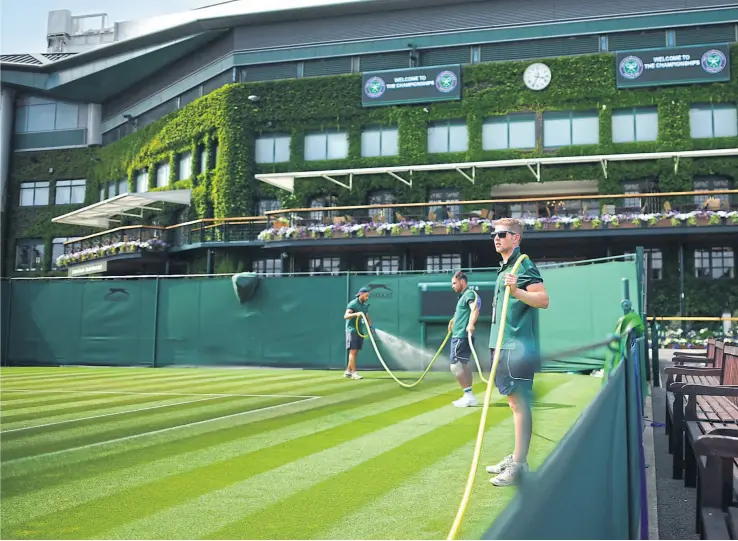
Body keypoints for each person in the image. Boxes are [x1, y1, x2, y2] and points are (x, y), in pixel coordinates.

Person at [485, 218, 549, 487]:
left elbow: (543, 300)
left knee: (519, 405)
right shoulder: (506, 267)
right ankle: (516, 457)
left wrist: (517, 291)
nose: (496, 238)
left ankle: (520, 465)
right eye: (493, 234)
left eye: (502, 234)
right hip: (502, 344)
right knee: (514, 404)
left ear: (516, 238)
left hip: (517, 347)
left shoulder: (524, 264)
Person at [448, 270, 481, 407]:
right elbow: (465, 312)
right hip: (460, 335)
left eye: (454, 283)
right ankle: (469, 396)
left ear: (462, 281)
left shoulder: (469, 294)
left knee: (455, 366)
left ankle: (468, 396)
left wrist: (471, 324)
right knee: (464, 365)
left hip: (460, 337)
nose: (452, 286)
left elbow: (475, 309)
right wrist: (453, 320)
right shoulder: (464, 296)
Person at [344, 286, 374, 380]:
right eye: (366, 296)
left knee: (355, 352)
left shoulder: (364, 306)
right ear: (360, 294)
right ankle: (354, 373)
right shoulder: (353, 304)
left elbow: (367, 317)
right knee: (353, 351)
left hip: (359, 331)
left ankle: (347, 371)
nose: (367, 298)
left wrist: (370, 327)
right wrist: (356, 314)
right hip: (352, 330)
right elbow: (346, 316)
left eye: (368, 296)